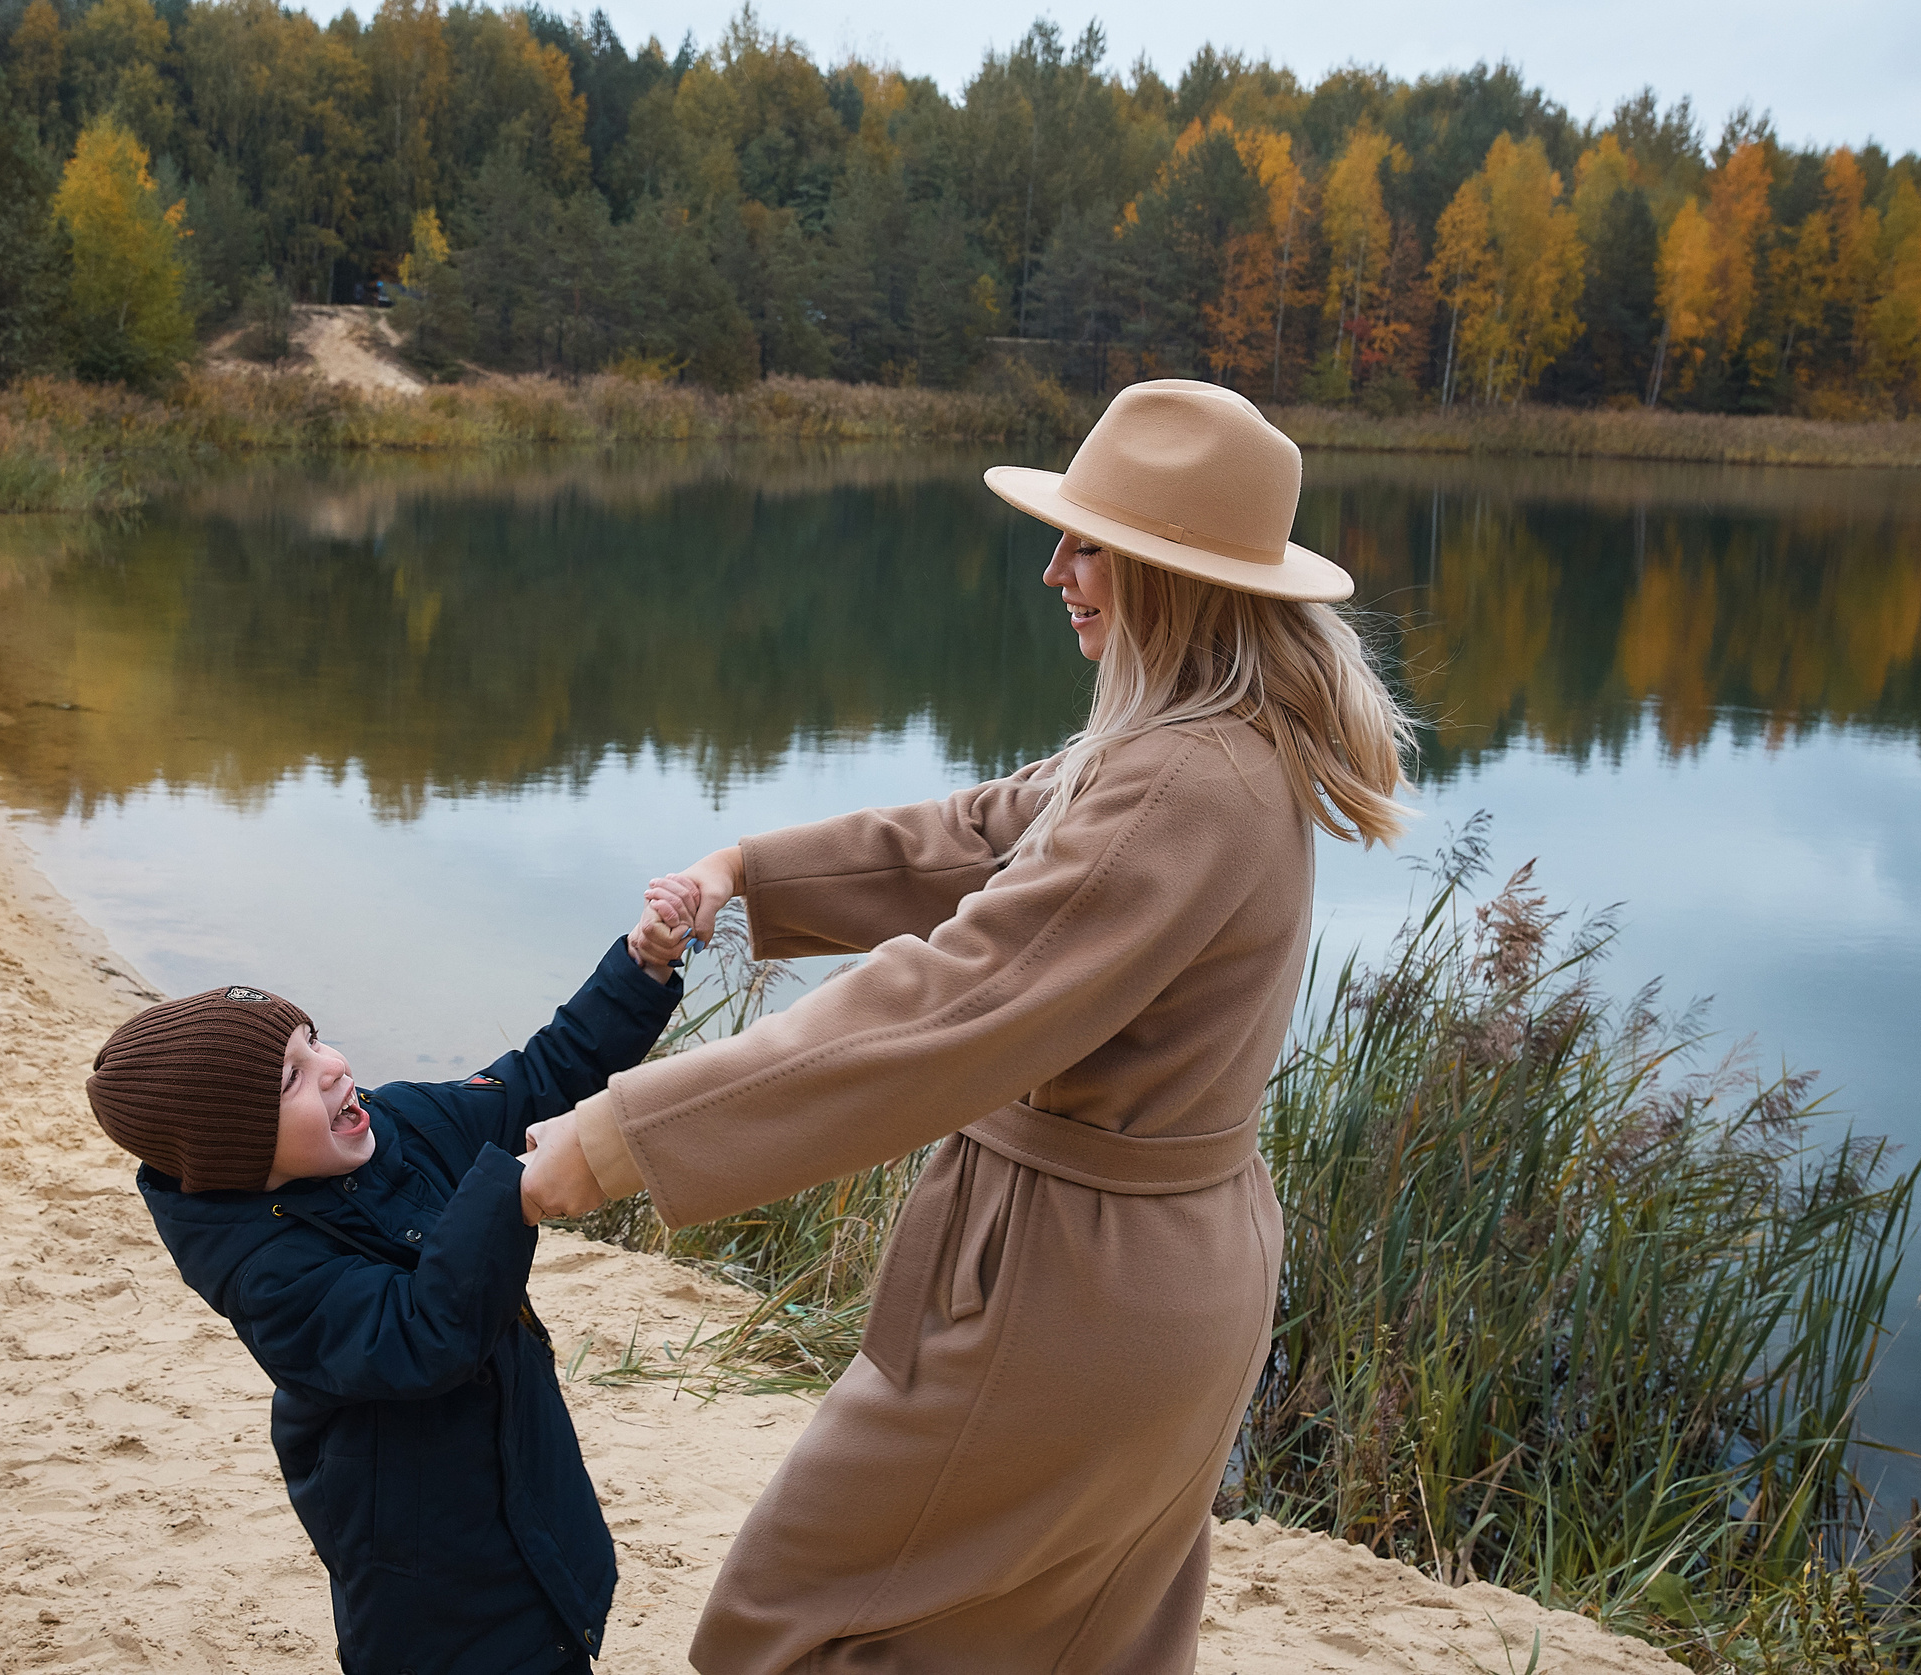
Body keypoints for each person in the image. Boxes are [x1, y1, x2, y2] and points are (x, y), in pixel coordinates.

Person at [518, 381, 1416, 1674]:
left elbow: (956, 999)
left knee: (782, 1623)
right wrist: (748, 868)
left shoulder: (1182, 777)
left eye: (1090, 542)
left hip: (1071, 1286)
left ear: (1178, 573)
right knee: (1071, 1643)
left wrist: (616, 1136)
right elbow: (983, 837)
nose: (1055, 567)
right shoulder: (1209, 741)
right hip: (1165, 1271)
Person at [86, 883, 698, 1675]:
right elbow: (422, 1333)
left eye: (317, 1041)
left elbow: (544, 1074)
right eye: (292, 1078)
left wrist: (644, 963)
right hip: (425, 1583)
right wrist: (513, 1194)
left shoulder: (401, 1121)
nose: (335, 1068)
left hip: (529, 1497)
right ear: (238, 1155)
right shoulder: (266, 1276)